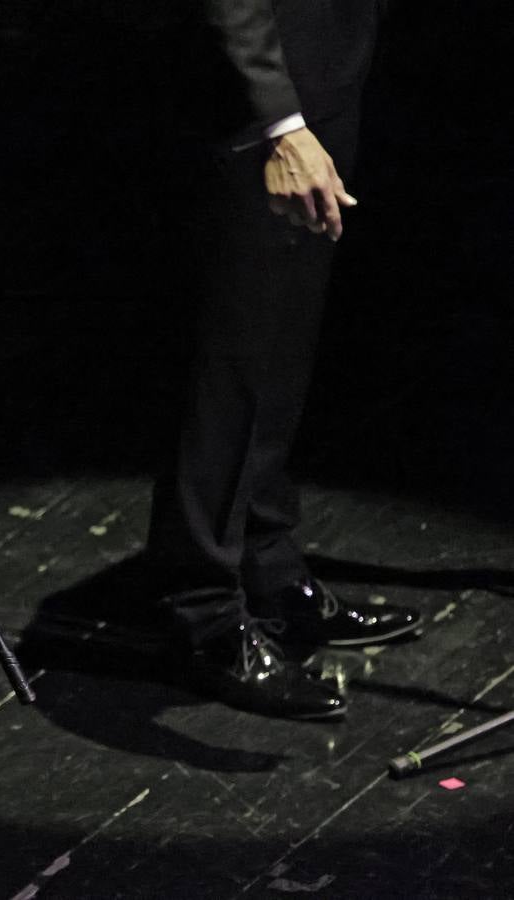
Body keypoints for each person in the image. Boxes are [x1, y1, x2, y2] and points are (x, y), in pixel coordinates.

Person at [144, 0, 418, 720]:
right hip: (260, 114)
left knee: (277, 351)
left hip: (318, 86)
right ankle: (201, 616)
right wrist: (279, 123)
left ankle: (266, 567)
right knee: (233, 364)